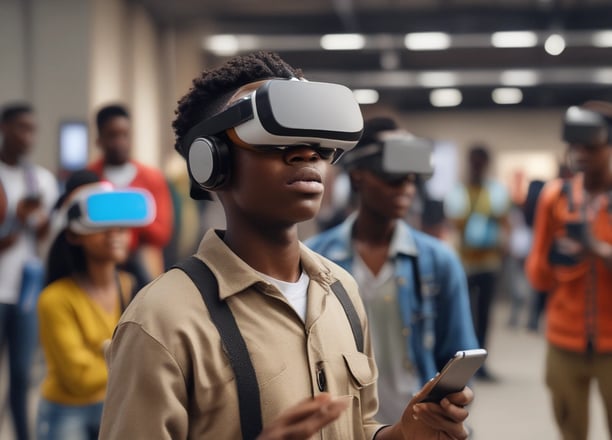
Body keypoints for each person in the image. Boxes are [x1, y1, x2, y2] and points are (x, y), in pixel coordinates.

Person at [99, 51, 473, 440]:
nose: (306, 152)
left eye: (315, 140)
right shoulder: (162, 322)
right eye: (271, 138)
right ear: (212, 161)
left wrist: (400, 433)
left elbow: (359, 426)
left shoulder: (342, 292)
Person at [306, 116, 479, 424]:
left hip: (414, 424)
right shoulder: (315, 259)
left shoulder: (439, 262)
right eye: (393, 174)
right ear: (358, 175)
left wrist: (451, 405)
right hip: (344, 426)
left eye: (412, 176)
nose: (406, 186)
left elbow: (458, 355)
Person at [35, 169, 153, 440]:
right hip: (66, 413)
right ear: (75, 234)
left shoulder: (132, 286)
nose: (115, 233)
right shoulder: (54, 299)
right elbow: (78, 378)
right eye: (101, 224)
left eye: (121, 225)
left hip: (115, 406)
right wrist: (135, 360)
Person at [526, 101, 612, 440]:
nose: (581, 155)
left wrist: (597, 250)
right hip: (564, 340)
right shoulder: (556, 198)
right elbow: (537, 275)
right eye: (574, 146)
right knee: (570, 432)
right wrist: (556, 257)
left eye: (590, 147)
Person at [0, 103, 59, 440]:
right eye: (20, 128)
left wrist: (41, 222)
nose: (27, 137)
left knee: (22, 375)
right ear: (4, 128)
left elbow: (44, 239)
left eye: (32, 129)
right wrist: (18, 220)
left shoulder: (41, 180)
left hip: (25, 291)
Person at [443, 144, 510, 381]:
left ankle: (481, 362)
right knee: (463, 313)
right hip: (464, 263)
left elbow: (505, 223)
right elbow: (454, 222)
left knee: (483, 315)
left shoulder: (495, 191)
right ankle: (462, 361)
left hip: (488, 263)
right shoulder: (459, 191)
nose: (477, 166)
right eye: (474, 161)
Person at [88, 104, 173, 287]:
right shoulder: (90, 178)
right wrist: (133, 211)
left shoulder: (152, 178)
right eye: (112, 135)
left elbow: (162, 234)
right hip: (101, 265)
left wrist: (117, 213)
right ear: (99, 140)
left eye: (125, 135)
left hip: (142, 264)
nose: (120, 142)